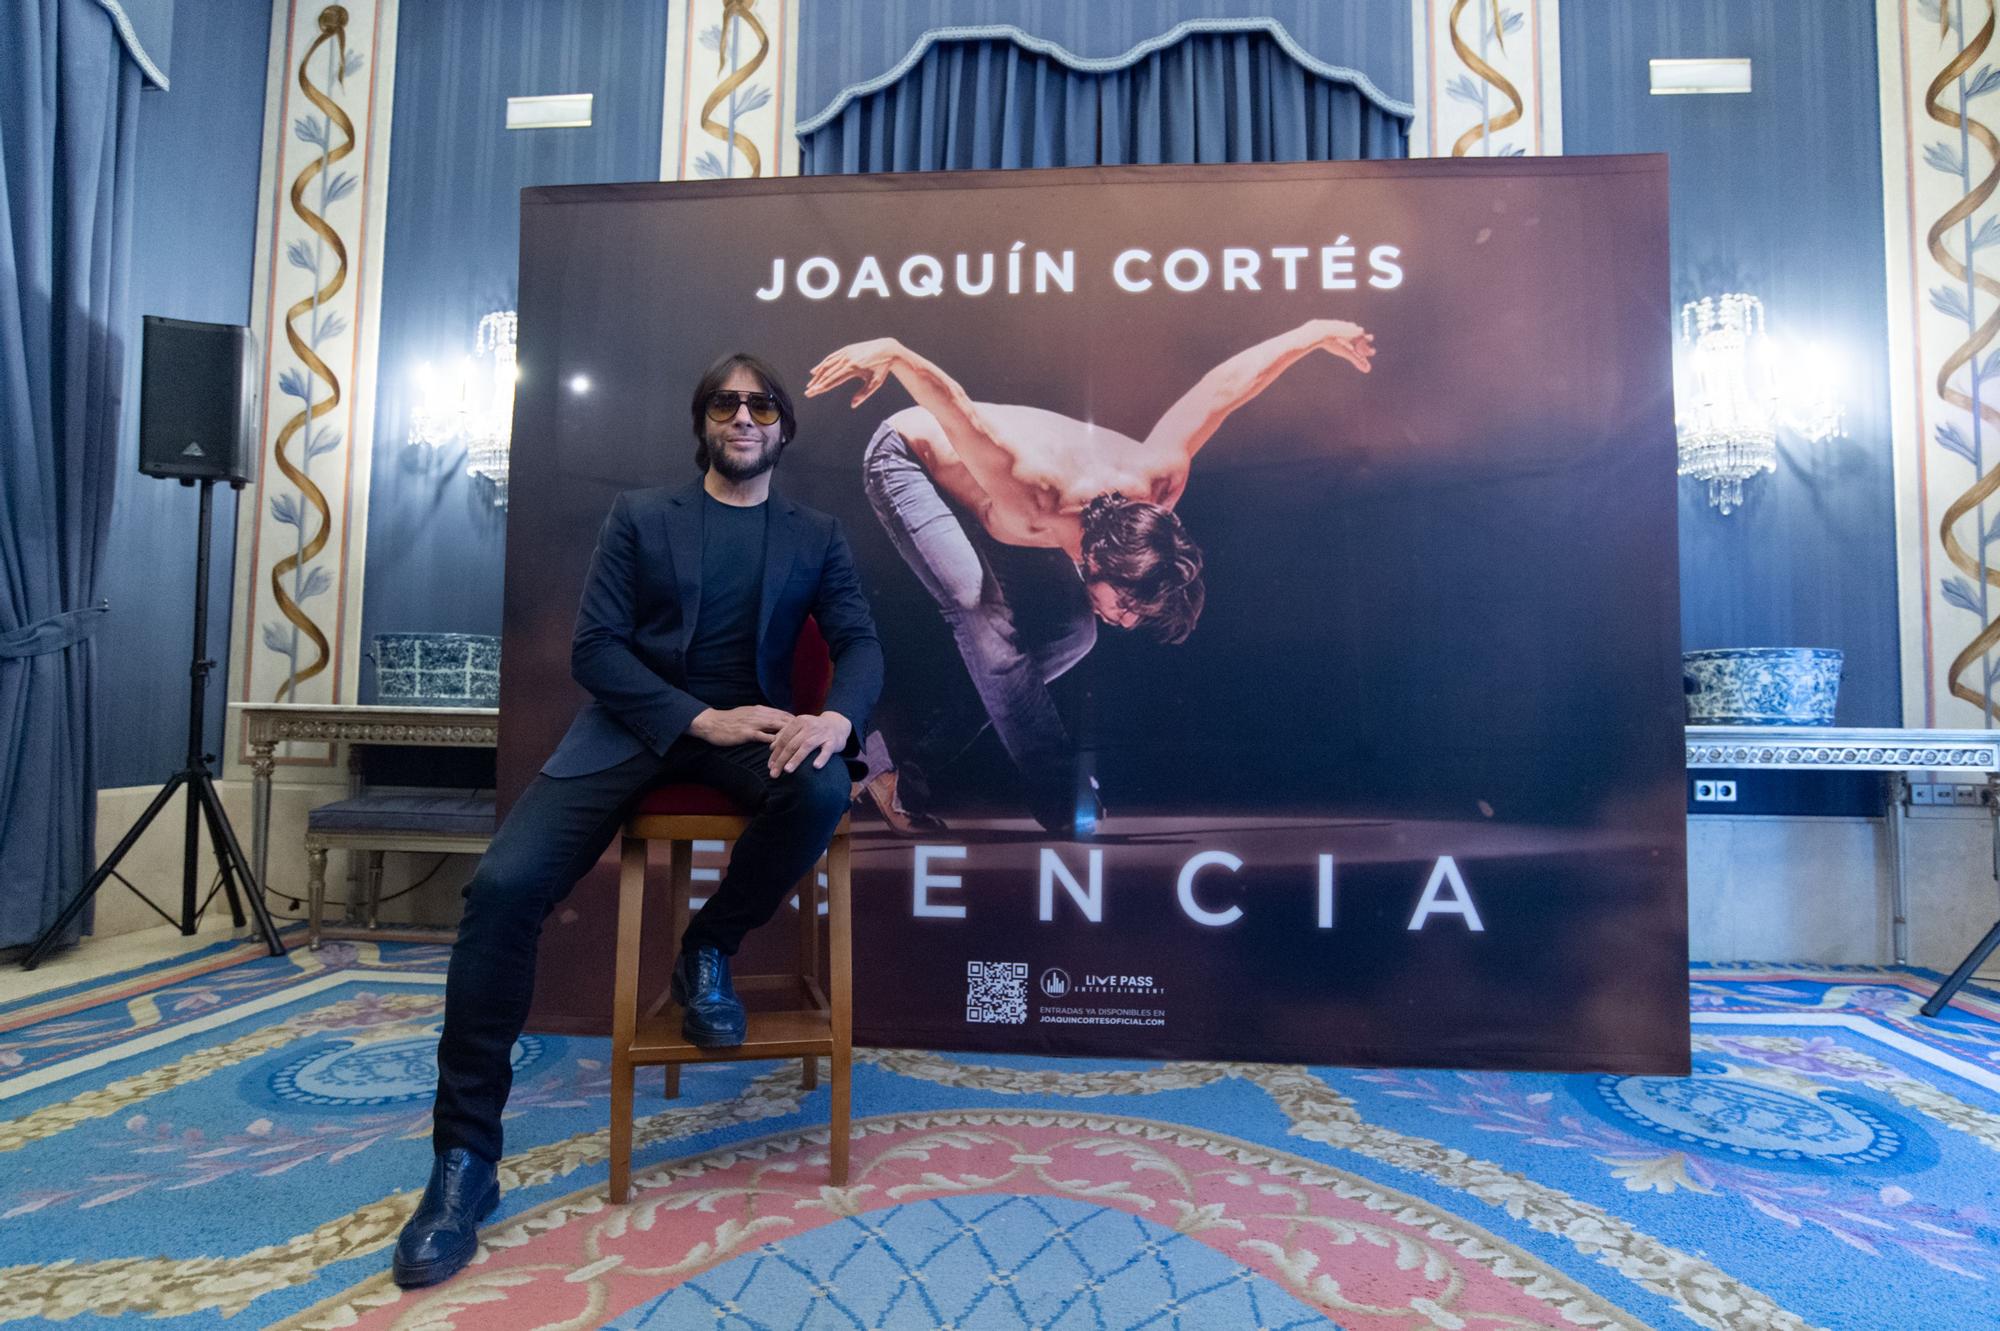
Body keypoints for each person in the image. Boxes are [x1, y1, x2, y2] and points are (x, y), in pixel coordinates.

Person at [392, 353, 883, 1289]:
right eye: (726, 404)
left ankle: (707, 946)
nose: (744, 417)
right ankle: (463, 1164)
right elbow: (595, 649)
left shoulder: (816, 534)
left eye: (761, 404)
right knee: (500, 889)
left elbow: (859, 641)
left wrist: (835, 717)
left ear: (784, 426)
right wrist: (698, 716)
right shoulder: (641, 518)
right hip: (630, 730)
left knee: (819, 788)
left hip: (755, 737)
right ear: (703, 423)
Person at [806, 318, 1371, 836]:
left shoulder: (1158, 481)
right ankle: (1059, 793)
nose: (1126, 621)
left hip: (997, 503)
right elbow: (958, 414)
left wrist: (1310, 334)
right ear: (1100, 561)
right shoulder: (1036, 490)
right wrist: (897, 353)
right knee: (978, 607)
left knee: (1074, 634)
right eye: (1126, 605)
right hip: (913, 457)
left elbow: (1220, 392)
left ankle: (897, 770)